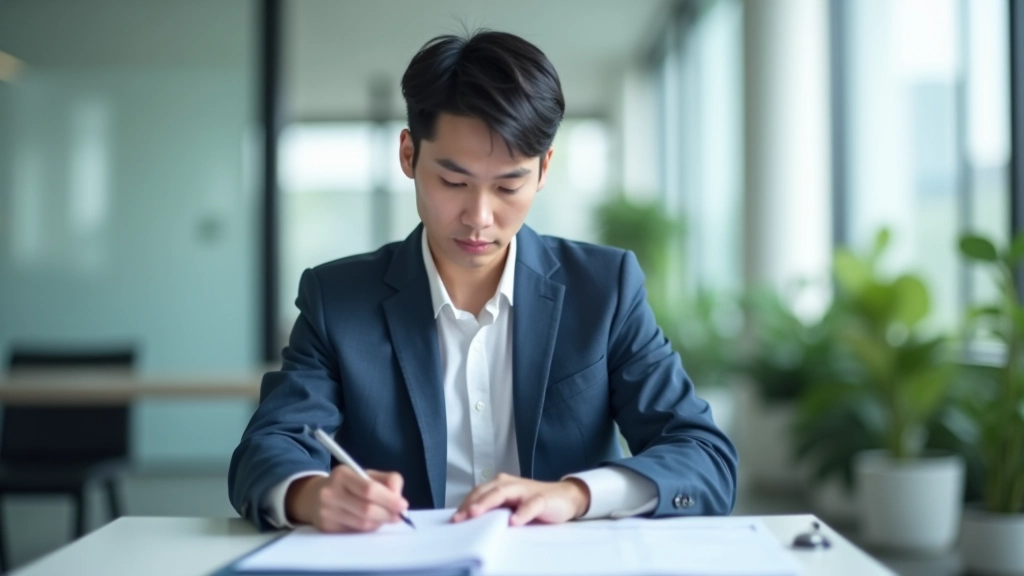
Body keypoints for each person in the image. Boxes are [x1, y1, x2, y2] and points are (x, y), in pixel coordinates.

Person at [229, 29, 737, 533]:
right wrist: (312, 495)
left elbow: (703, 456)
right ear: (408, 155)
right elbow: (267, 448)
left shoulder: (604, 289)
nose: (479, 216)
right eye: (453, 182)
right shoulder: (338, 300)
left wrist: (576, 494)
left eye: (508, 184)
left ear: (543, 170)